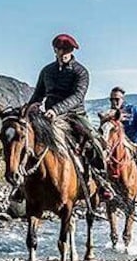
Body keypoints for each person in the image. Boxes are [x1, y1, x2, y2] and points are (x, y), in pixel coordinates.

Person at [26, 33, 113, 200]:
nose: (64, 52)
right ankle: (22, 184)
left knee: (95, 142)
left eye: (68, 49)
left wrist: (56, 110)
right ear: (55, 50)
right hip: (49, 116)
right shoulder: (46, 71)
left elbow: (77, 97)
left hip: (75, 115)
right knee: (25, 139)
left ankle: (102, 182)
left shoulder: (81, 72)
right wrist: (29, 110)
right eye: (61, 49)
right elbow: (38, 95)